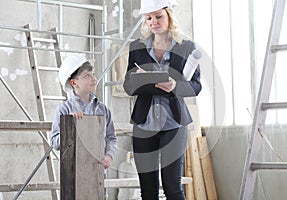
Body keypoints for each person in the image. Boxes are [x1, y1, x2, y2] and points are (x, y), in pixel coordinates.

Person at [123, 0, 202, 199]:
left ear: (169, 16)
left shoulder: (186, 47)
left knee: (172, 188)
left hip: (174, 124)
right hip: (144, 123)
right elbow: (128, 86)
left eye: (158, 16)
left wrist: (176, 87)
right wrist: (141, 80)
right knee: (148, 191)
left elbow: (196, 86)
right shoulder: (137, 47)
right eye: (149, 18)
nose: (153, 22)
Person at [51, 55, 117, 169]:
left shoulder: (103, 109)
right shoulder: (64, 110)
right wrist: (70, 124)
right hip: (72, 172)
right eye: (87, 76)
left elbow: (111, 138)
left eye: (93, 75)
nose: (94, 79)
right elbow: (55, 143)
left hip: (97, 171)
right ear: (74, 83)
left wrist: (108, 156)